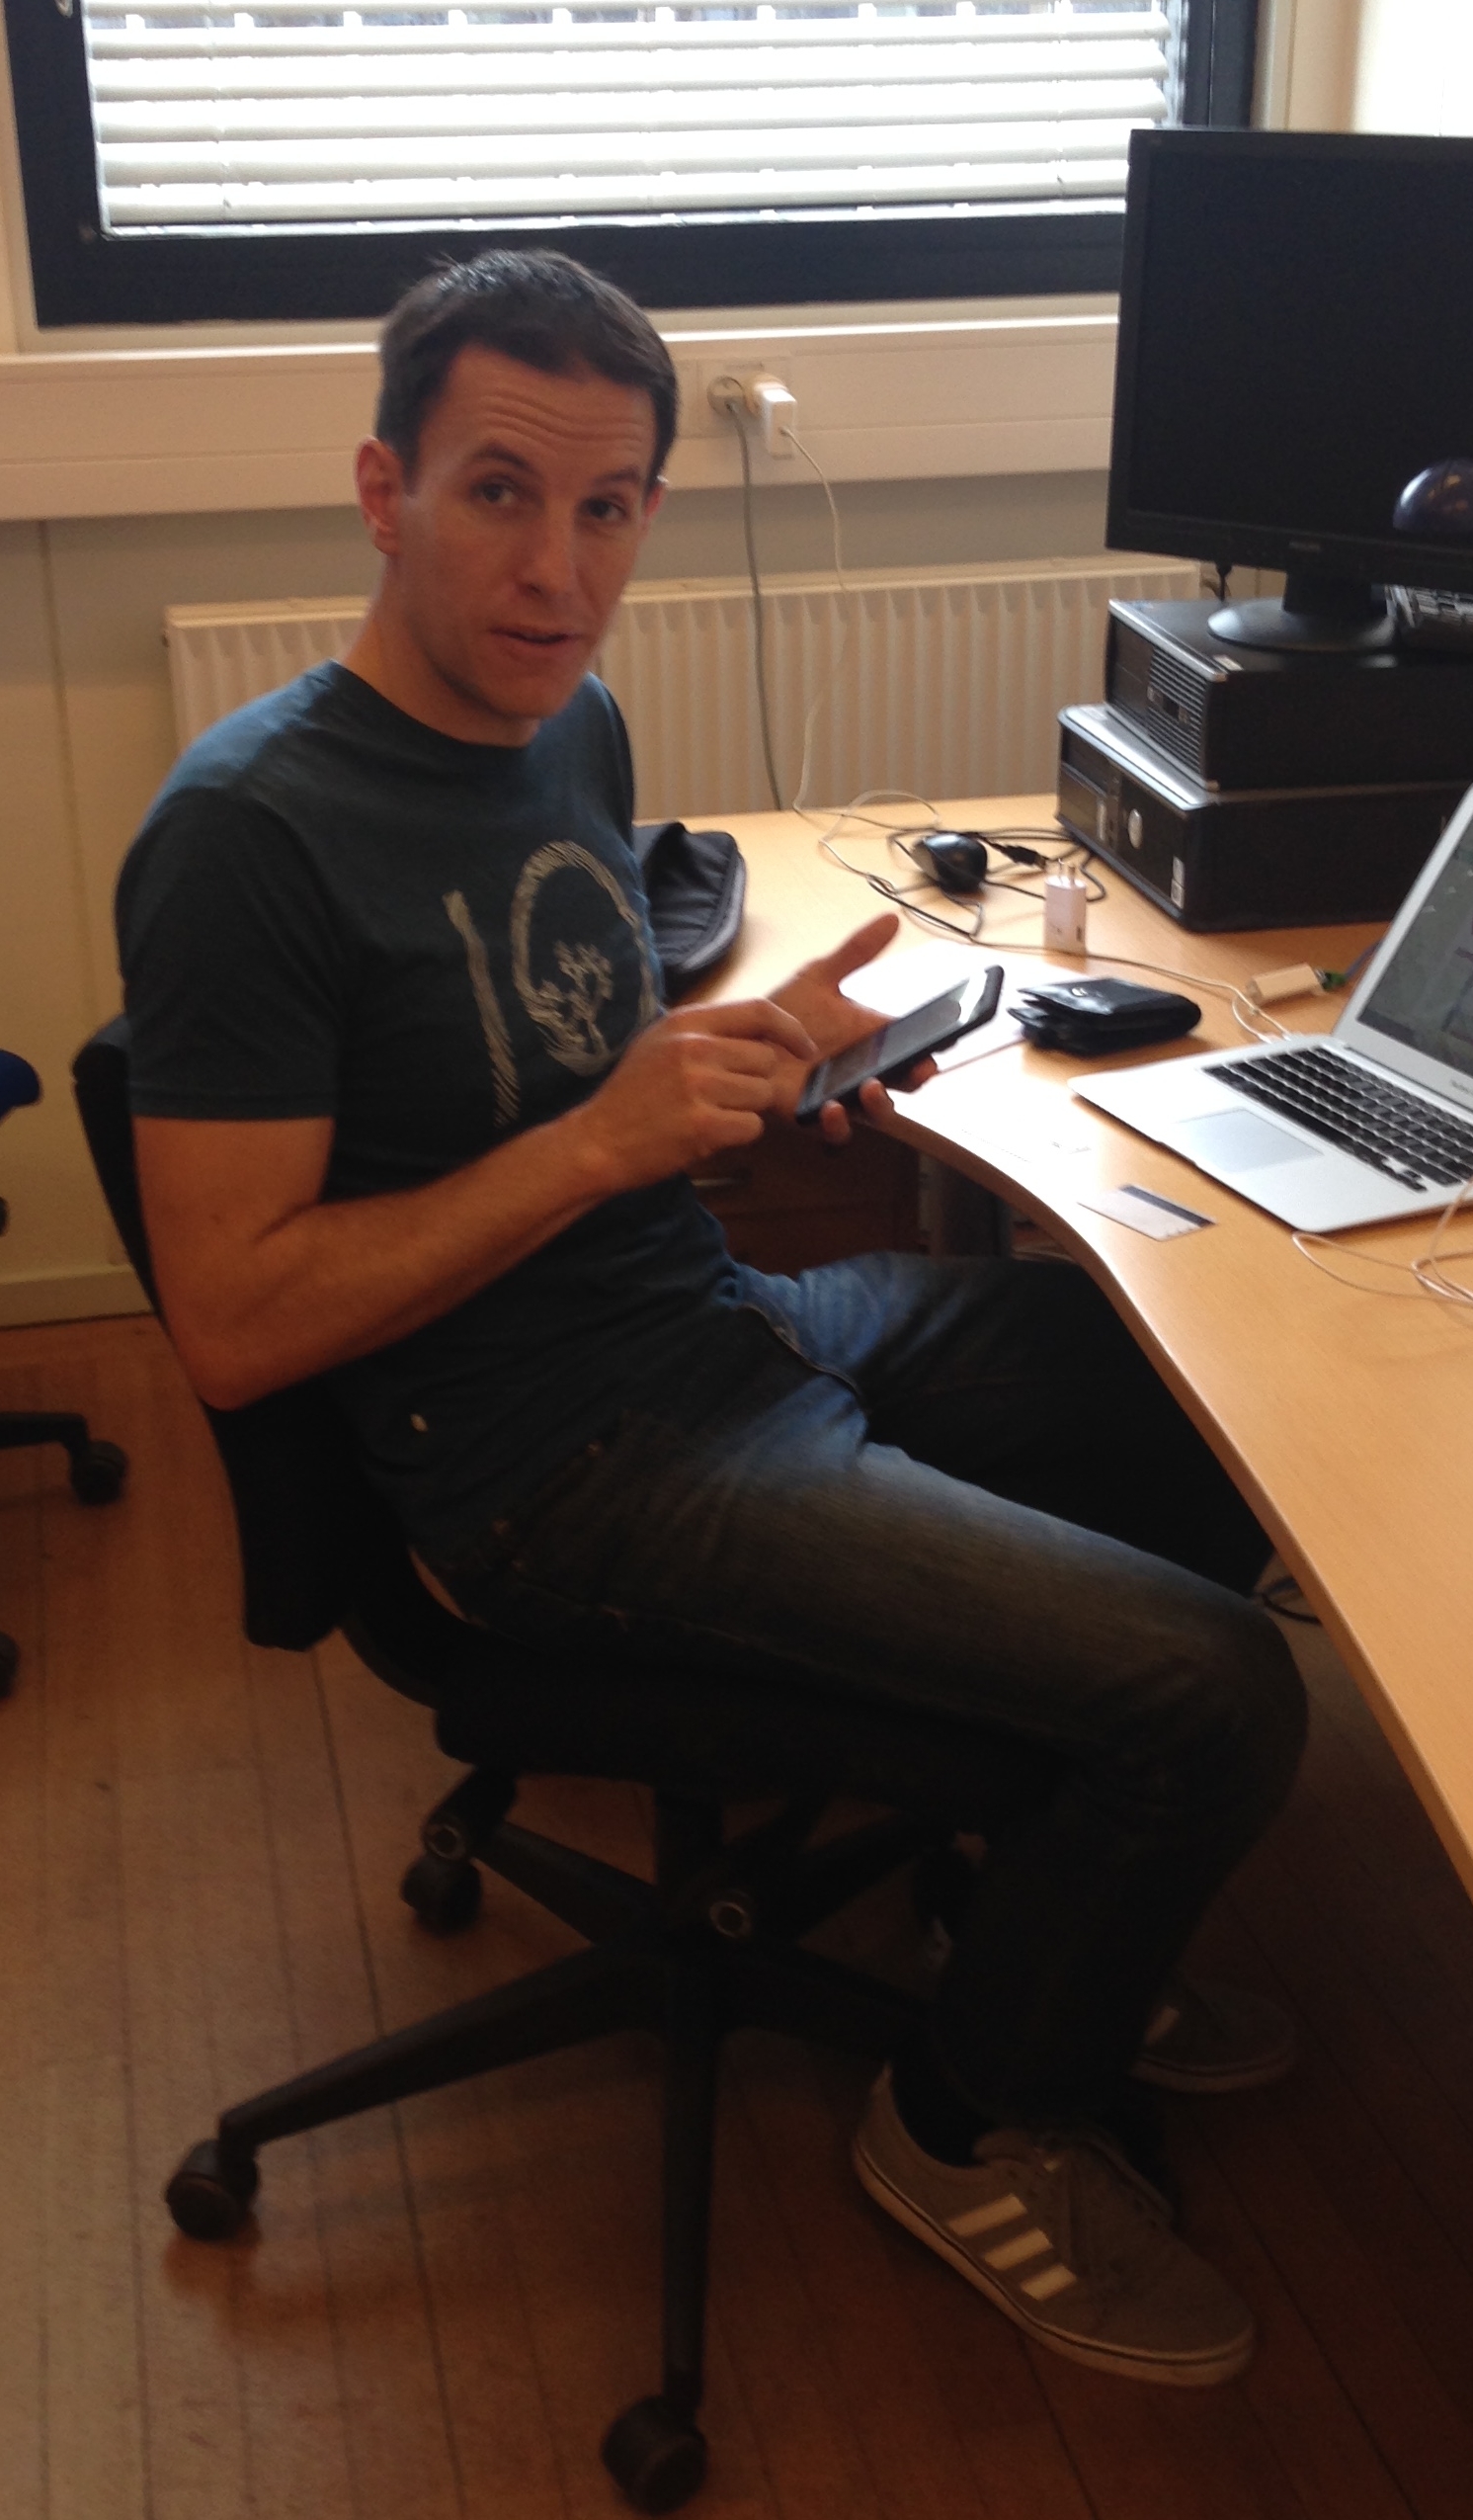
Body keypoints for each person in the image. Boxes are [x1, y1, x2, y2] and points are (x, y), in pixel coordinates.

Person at [116, 250, 1307, 2389]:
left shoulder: (569, 719)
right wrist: (600, 1145)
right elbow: (231, 1322)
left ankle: (1025, 1912)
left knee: (1183, 1393)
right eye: (497, 493)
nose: (557, 569)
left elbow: (547, 1046)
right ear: (381, 492)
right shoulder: (246, 839)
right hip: (547, 1468)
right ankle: (961, 2126)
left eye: (609, 507)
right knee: (1217, 1692)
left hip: (716, 1323)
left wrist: (740, 1056)